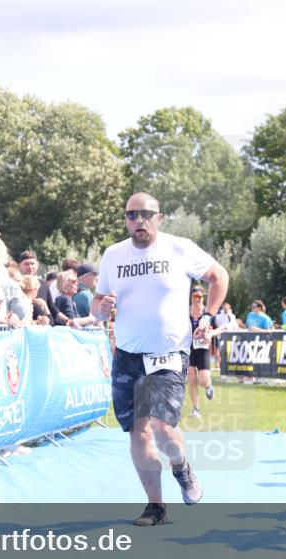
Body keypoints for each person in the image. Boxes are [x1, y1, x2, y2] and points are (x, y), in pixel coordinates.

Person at [92, 192, 229, 526]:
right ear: (126, 219)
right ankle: (156, 506)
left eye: (146, 214)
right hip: (128, 356)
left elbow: (219, 276)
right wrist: (102, 308)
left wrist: (207, 317)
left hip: (168, 353)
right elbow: (97, 305)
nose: (139, 220)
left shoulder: (179, 248)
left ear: (159, 217)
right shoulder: (113, 254)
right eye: (132, 215)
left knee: (163, 428)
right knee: (138, 432)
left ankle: (182, 467)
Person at [187, 287, 218, 418]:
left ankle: (208, 386)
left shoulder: (207, 314)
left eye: (200, 297)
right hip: (188, 348)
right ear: (191, 298)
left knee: (203, 379)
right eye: (195, 296)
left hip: (203, 349)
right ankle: (196, 409)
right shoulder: (184, 312)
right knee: (191, 379)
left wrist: (210, 334)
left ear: (203, 298)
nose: (197, 299)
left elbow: (219, 329)